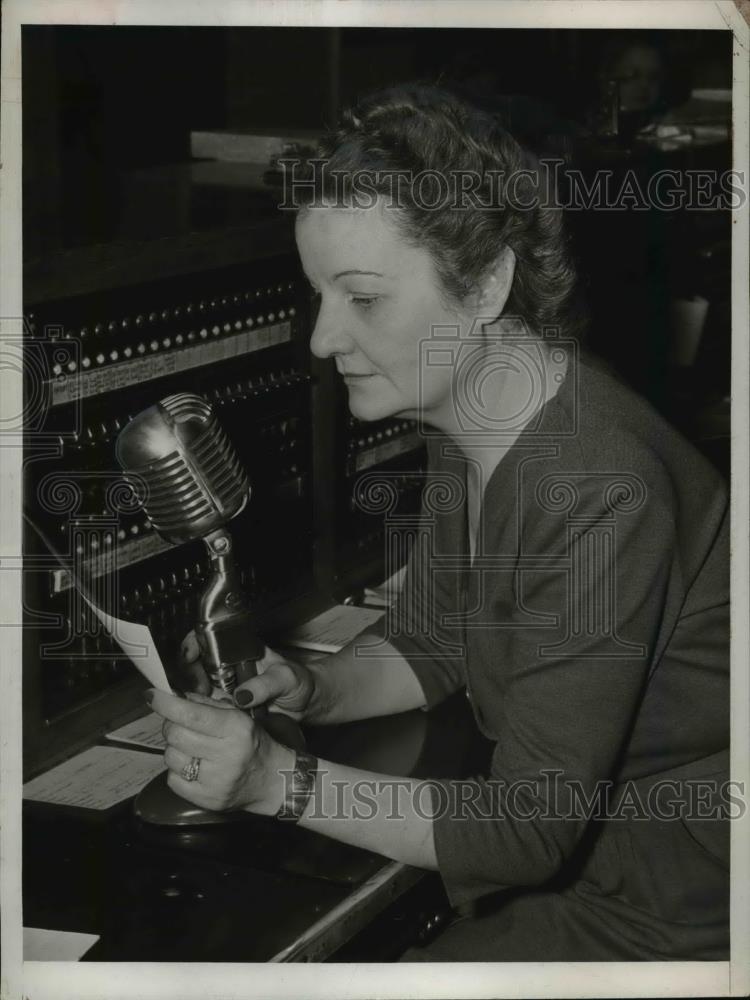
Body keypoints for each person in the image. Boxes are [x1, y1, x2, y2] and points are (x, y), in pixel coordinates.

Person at [146, 84, 730, 961]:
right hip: (602, 873)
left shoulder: (599, 485)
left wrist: (276, 781)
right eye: (318, 295)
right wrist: (314, 690)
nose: (320, 338)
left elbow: (529, 831)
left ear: (488, 281)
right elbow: (437, 637)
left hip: (677, 903)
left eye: (363, 298)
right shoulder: (478, 410)